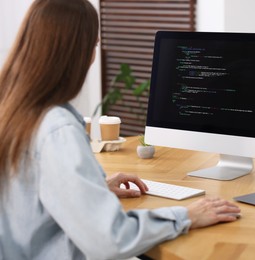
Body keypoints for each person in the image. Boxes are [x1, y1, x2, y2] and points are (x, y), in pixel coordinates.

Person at [0, 0, 241, 259]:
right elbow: (110, 241)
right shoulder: (57, 129)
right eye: (93, 45)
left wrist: (92, 189)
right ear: (76, 54)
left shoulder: (13, 110)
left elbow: (30, 197)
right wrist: (185, 216)